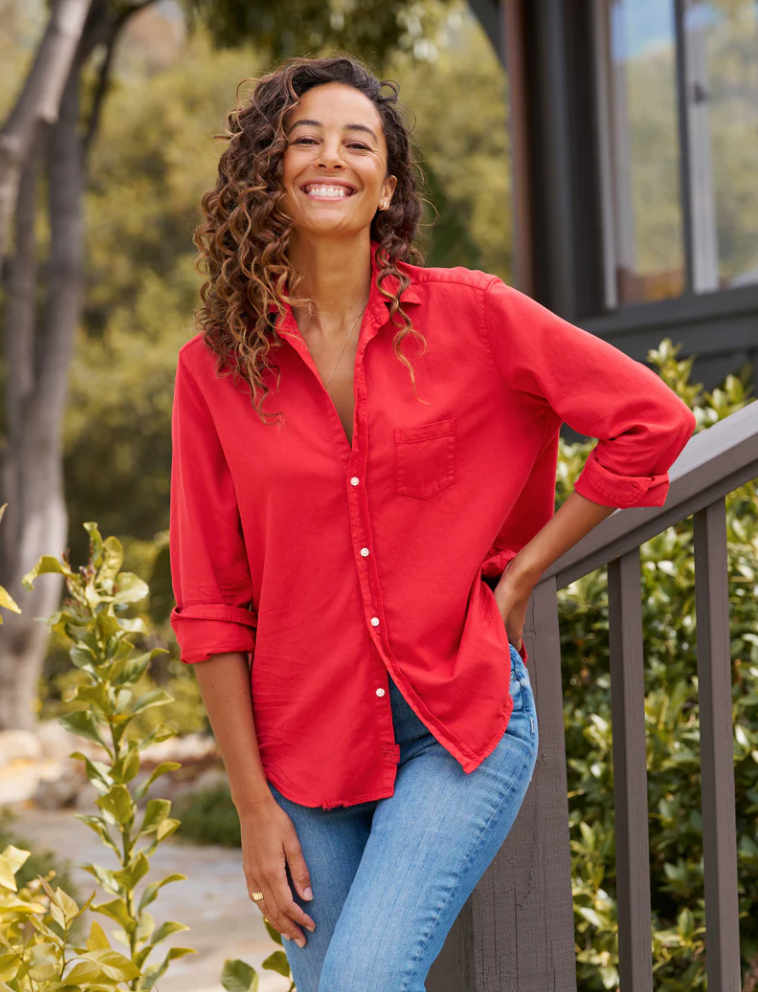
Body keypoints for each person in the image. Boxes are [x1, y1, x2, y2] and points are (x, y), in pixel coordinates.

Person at [168, 54, 696, 992]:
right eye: (305, 139)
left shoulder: (474, 317)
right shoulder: (213, 372)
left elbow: (650, 421)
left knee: (362, 980)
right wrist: (252, 807)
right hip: (302, 747)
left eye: (357, 142)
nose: (331, 158)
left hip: (458, 721)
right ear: (268, 171)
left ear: (388, 184)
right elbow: (212, 605)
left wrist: (523, 571)